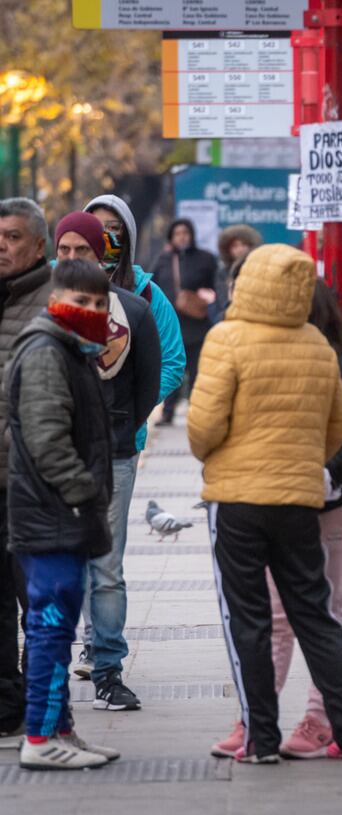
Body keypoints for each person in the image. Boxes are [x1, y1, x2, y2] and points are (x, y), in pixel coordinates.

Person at [188, 244, 342, 763]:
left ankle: (260, 739)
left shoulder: (226, 338)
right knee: (317, 616)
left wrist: (222, 455)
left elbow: (203, 427)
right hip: (299, 501)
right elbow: (340, 428)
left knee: (249, 621)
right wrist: (301, 463)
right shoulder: (319, 346)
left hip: (238, 500)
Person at [7, 259, 118, 770]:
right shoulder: (48, 351)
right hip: (52, 514)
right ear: (57, 299)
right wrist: (85, 494)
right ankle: (38, 738)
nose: (91, 311)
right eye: (80, 301)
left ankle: (59, 728)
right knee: (51, 625)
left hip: (60, 514)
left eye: (99, 304)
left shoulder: (72, 349)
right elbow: (47, 440)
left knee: (59, 624)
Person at [53, 213, 161, 714]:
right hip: (48, 457)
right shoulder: (37, 310)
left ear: (103, 256)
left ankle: (108, 669)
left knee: (106, 568)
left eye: (83, 250)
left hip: (113, 453)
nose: (73, 259)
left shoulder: (135, 312)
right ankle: (46, 666)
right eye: (65, 249)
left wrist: (117, 433)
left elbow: (146, 387)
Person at [76, 196, 185, 680]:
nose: (104, 238)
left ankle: (105, 657)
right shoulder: (57, 286)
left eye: (115, 229)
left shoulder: (146, 295)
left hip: (120, 444)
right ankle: (86, 643)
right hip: (63, 442)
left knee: (107, 560)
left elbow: (172, 363)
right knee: (68, 553)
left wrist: (130, 412)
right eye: (95, 227)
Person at [0, 197, 55, 747]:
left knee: (38, 603)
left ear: (39, 245)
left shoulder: (59, 302)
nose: (2, 246)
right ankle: (6, 707)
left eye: (13, 237)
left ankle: (46, 712)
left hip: (34, 483)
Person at [152, 217, 218, 425]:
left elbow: (216, 287)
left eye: (185, 233)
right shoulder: (163, 260)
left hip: (198, 324)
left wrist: (206, 297)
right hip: (173, 325)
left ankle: (197, 413)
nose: (182, 237)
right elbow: (152, 288)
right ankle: (167, 412)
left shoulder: (205, 259)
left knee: (198, 371)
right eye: (177, 233)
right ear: (171, 237)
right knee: (172, 368)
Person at [213, 224, 262, 324]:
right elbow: (223, 301)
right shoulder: (223, 273)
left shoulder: (259, 268)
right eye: (235, 246)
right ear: (228, 250)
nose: (240, 249)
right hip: (232, 320)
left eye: (243, 245)